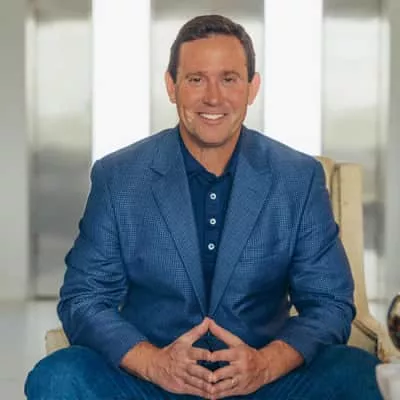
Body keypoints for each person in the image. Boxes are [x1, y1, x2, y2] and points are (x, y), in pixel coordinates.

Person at [25, 14, 382, 400]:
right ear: (171, 86)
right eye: (196, 79)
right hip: (151, 383)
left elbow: (329, 303)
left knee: (359, 374)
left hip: (265, 382)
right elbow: (84, 298)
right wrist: (153, 363)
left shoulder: (297, 177)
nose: (213, 97)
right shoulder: (119, 177)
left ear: (252, 87)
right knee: (57, 377)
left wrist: (266, 364)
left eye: (229, 79)